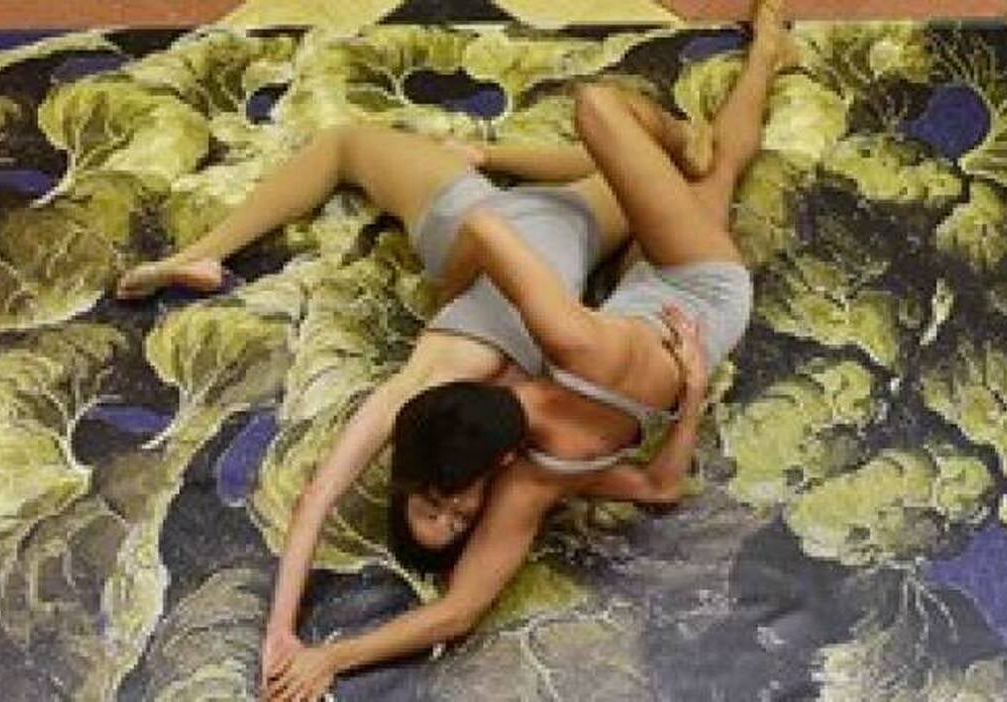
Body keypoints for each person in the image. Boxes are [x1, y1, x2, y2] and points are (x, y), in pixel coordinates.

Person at [260, 0, 794, 697]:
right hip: (701, 286)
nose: (461, 511)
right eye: (460, 517)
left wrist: (325, 651)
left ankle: (742, 80)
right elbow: (461, 610)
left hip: (645, 310)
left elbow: (651, 488)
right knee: (655, 141)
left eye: (444, 504)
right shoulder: (537, 454)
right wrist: (691, 392)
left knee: (700, 165)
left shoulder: (539, 416)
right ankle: (756, 64)